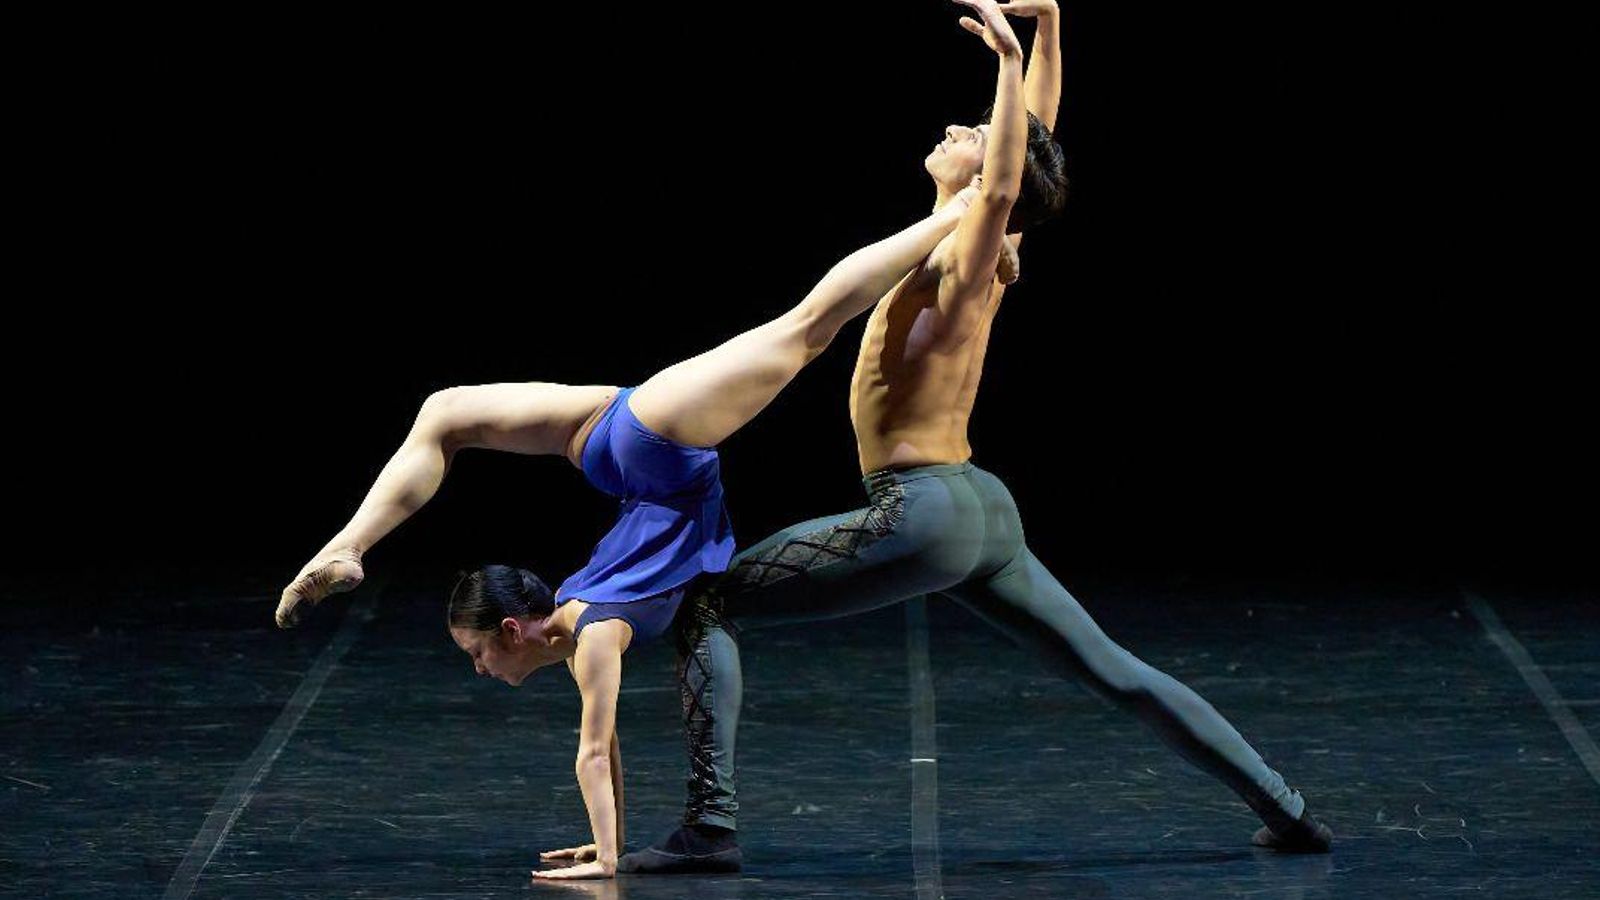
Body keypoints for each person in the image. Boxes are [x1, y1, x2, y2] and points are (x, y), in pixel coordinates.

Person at [616, 0, 1332, 875]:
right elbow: (1028, 150)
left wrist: (1006, 58)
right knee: (1114, 669)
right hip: (979, 510)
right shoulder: (977, 240)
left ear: (993, 171)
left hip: (922, 512)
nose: (959, 128)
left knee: (704, 602)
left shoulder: (965, 252)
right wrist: (1050, 30)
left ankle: (710, 827)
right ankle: (1288, 810)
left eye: (976, 131)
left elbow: (1004, 180)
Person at [272, 186, 989, 880]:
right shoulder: (580, 619)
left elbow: (592, 754)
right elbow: (604, 749)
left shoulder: (591, 634)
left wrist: (609, 859)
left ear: (516, 628)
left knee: (807, 326)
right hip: (613, 442)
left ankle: (953, 213)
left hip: (653, 445)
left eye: (478, 652)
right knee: (444, 411)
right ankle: (348, 546)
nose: (479, 669)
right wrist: (603, 843)